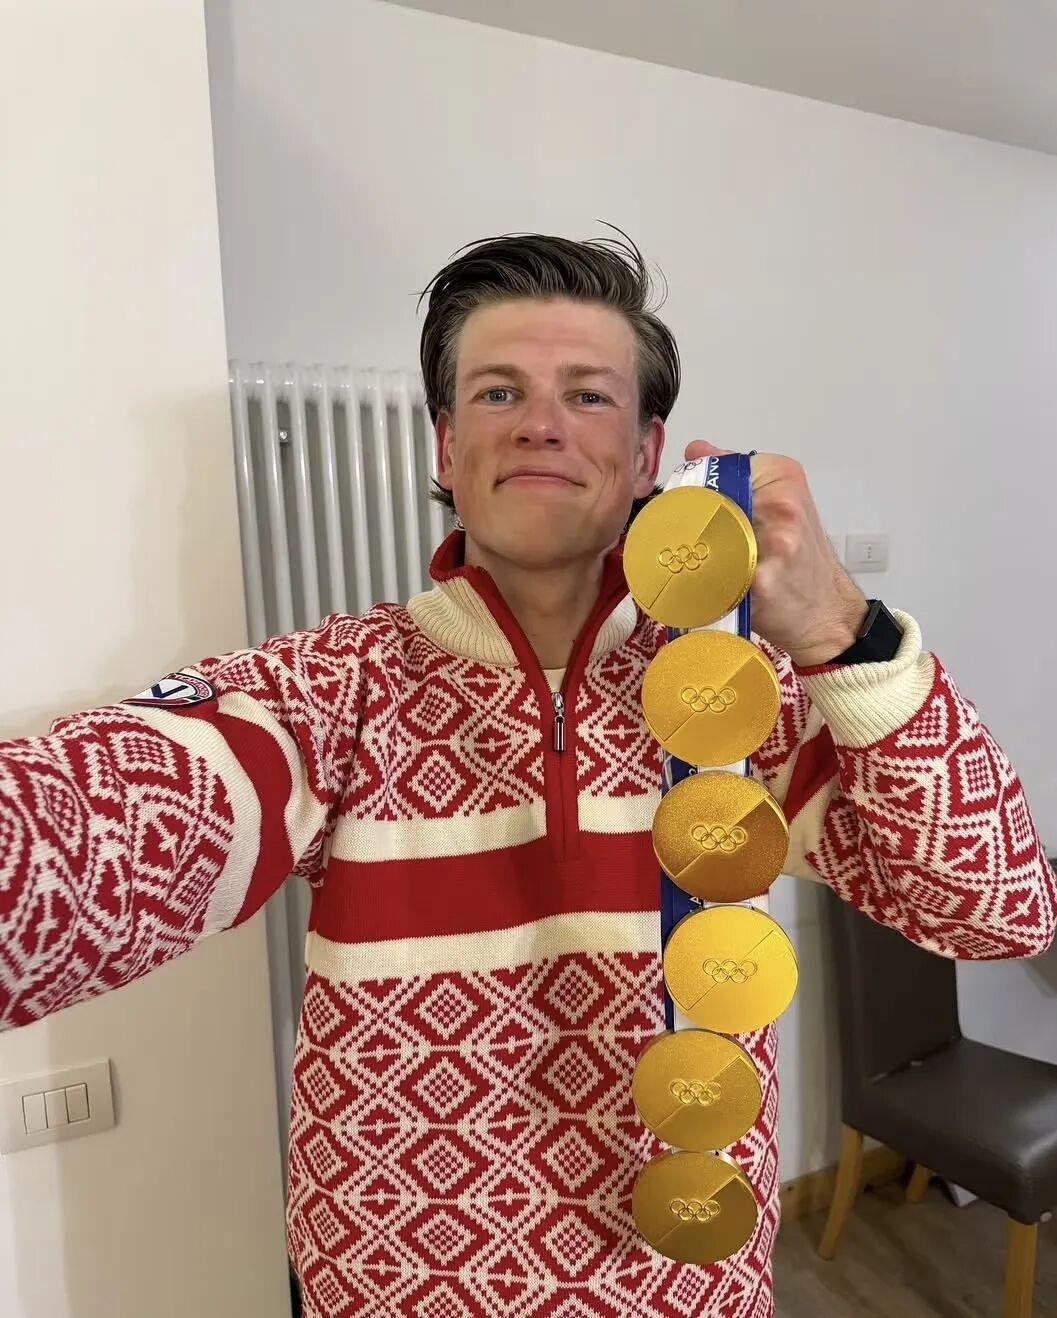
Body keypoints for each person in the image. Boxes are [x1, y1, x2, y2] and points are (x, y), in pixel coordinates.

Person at [0, 231, 1052, 1318]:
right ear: (447, 446)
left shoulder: (742, 701)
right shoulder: (330, 688)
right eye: (498, 391)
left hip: (675, 1285)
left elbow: (995, 909)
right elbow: (77, 831)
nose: (540, 422)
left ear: (646, 458)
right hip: (391, 1290)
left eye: (587, 395)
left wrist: (839, 629)